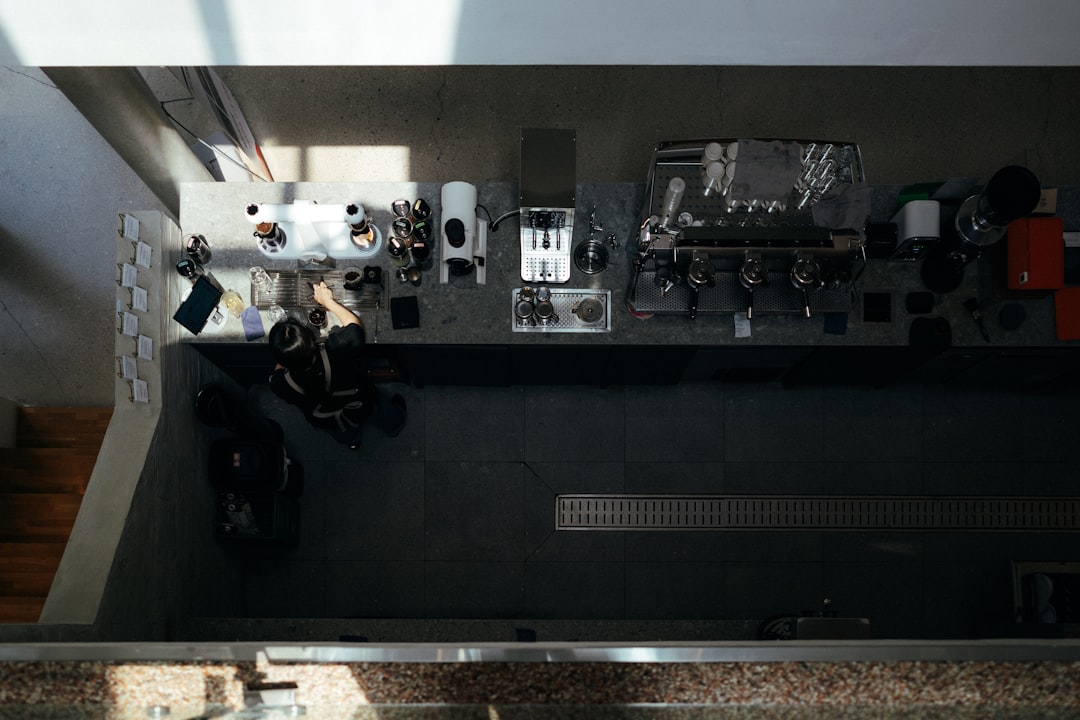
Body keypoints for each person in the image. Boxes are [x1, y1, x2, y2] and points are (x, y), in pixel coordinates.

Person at [268, 281, 406, 449]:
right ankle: (394, 427)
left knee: (343, 432)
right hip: (360, 401)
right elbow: (355, 328)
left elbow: (279, 370)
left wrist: (288, 353)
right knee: (380, 412)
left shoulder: (279, 384)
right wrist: (328, 301)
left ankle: (353, 442)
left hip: (329, 419)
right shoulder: (334, 351)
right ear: (312, 340)